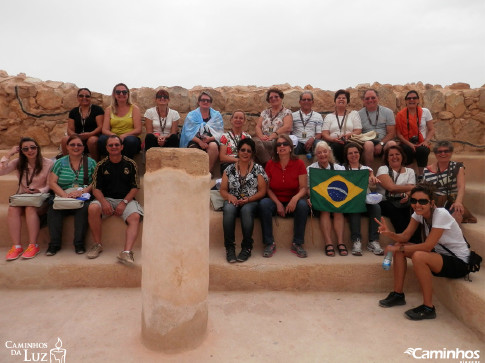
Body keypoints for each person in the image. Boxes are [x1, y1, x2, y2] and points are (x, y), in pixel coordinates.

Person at [376, 184, 470, 320]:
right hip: (441, 256)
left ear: (431, 203)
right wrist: (389, 233)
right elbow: (404, 237)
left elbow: (427, 246)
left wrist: (397, 248)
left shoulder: (441, 214)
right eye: (413, 201)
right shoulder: (418, 214)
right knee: (399, 247)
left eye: (423, 201)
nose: (417, 205)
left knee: (418, 256)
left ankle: (428, 308)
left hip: (459, 262)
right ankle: (398, 295)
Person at [87, 135, 144, 265]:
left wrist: (124, 203)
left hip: (126, 200)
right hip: (106, 199)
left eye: (116, 145)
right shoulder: (101, 165)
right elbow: (96, 189)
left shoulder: (131, 164)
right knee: (93, 208)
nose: (114, 147)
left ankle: (126, 253)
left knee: (135, 216)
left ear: (122, 147)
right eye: (111, 145)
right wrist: (103, 202)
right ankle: (97, 245)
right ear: (106, 148)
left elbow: (135, 187)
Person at [1, 138, 53, 260]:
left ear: (37, 148)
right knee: (12, 209)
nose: (30, 150)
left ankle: (33, 245)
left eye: (33, 147)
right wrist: (9, 154)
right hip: (24, 197)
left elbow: (50, 184)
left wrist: (39, 191)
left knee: (30, 208)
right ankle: (17, 246)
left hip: (41, 198)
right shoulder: (19, 162)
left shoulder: (48, 163)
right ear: (22, 151)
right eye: (25, 149)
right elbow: (1, 171)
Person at [259, 134, 309, 258]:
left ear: (291, 147)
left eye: (285, 144)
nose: (282, 146)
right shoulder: (270, 164)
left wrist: (295, 199)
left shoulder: (299, 164)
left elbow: (303, 188)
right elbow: (268, 188)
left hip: (293, 201)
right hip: (276, 201)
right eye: (279, 144)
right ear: (276, 149)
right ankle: (269, 243)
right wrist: (277, 203)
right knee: (263, 204)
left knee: (303, 205)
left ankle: (297, 243)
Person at [47, 134, 96, 255]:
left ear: (83, 147)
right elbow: (52, 183)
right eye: (72, 144)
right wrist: (64, 195)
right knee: (53, 209)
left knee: (84, 209)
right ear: (67, 147)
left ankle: (79, 244)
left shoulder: (90, 163)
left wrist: (82, 192)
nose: (76, 147)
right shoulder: (59, 162)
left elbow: (96, 182)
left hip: (82, 196)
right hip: (62, 195)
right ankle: (54, 244)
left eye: (79, 145)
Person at [219, 139, 267, 263]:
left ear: (252, 153)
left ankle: (247, 247)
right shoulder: (229, 169)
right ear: (238, 151)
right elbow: (223, 190)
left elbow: (262, 191)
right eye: (243, 150)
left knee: (246, 210)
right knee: (228, 209)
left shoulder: (258, 169)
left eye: (249, 151)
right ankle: (229, 248)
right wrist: (229, 197)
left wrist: (249, 199)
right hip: (233, 199)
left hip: (251, 201)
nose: (245, 153)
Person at [342, 142, 383, 256]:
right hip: (350, 201)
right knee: (355, 206)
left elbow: (371, 181)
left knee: (376, 207)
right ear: (346, 156)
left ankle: (373, 241)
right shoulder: (341, 168)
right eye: (350, 153)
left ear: (360, 154)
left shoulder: (367, 169)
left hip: (366, 199)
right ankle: (356, 240)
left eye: (356, 152)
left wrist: (372, 179)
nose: (353, 155)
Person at [307, 141, 347, 256]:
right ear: (316, 155)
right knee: (324, 210)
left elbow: (344, 186)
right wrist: (310, 197)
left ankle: (340, 242)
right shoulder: (311, 169)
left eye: (325, 152)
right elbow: (308, 188)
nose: (322, 155)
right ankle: (328, 243)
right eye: (319, 153)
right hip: (320, 199)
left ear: (329, 152)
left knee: (338, 211)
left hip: (336, 198)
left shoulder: (338, 168)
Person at [376, 145, 419, 242]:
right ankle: (402, 240)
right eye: (391, 155)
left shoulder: (410, 171)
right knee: (395, 211)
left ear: (402, 156)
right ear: (387, 158)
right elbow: (391, 188)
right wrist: (411, 188)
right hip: (385, 201)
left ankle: (416, 242)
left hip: (402, 200)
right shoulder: (383, 169)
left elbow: (409, 190)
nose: (394, 157)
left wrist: (407, 195)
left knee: (413, 211)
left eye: (397, 154)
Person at [180, 91, 224, 175]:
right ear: (199, 102)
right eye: (203, 100)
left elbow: (219, 132)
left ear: (211, 103)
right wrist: (200, 142)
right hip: (195, 139)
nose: (205, 102)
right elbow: (188, 133)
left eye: (208, 100)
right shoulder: (191, 115)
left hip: (210, 139)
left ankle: (207, 172)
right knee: (193, 148)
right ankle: (194, 173)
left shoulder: (216, 115)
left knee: (213, 146)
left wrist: (209, 139)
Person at [423, 141, 467, 223]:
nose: (443, 153)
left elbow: (461, 186)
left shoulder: (457, 167)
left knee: (456, 214)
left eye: (446, 151)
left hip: (451, 201)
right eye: (439, 151)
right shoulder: (427, 170)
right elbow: (426, 190)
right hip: (434, 201)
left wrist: (458, 202)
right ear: (435, 154)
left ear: (451, 152)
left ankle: (455, 235)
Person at [395, 90, 435, 177]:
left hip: (421, 141)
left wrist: (426, 141)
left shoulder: (425, 112)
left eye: (414, 98)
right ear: (405, 101)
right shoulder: (400, 115)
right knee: (407, 149)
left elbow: (431, 129)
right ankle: (410, 176)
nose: (411, 100)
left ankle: (421, 176)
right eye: (409, 98)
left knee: (423, 150)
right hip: (406, 142)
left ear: (418, 100)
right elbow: (399, 134)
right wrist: (409, 144)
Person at [98, 83, 142, 159]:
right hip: (113, 136)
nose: (121, 94)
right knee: (102, 140)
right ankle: (109, 162)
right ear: (114, 95)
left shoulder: (134, 109)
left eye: (124, 92)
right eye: (118, 92)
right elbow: (105, 129)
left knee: (130, 141)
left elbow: (138, 130)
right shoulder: (109, 109)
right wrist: (114, 137)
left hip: (128, 138)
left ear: (128, 94)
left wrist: (124, 135)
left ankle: (126, 164)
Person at [61, 88, 104, 161]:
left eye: (87, 96)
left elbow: (100, 127)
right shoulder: (74, 111)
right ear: (78, 98)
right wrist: (76, 136)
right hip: (78, 136)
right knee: (65, 139)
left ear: (90, 98)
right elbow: (70, 129)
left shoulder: (97, 109)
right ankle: (67, 163)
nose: (84, 98)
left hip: (93, 135)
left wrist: (90, 134)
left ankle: (95, 164)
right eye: (81, 96)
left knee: (92, 141)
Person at [358, 89, 397, 167]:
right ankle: (369, 173)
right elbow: (358, 132)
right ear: (363, 100)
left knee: (392, 144)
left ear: (378, 98)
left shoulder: (388, 112)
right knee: (369, 145)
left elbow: (392, 133)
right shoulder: (358, 114)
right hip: (367, 141)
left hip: (384, 141)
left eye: (373, 97)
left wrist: (381, 144)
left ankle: (385, 171)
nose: (370, 100)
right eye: (367, 98)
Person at [253, 88, 293, 165]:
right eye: (271, 97)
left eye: (276, 96)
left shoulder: (287, 112)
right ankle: (269, 164)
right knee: (254, 142)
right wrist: (261, 136)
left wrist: (274, 135)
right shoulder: (264, 112)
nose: (273, 99)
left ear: (281, 98)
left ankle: (267, 165)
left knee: (257, 146)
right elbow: (258, 127)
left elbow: (287, 127)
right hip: (264, 139)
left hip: (278, 139)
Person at [322, 89, 362, 164]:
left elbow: (358, 130)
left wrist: (348, 135)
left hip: (349, 140)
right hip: (333, 142)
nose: (341, 99)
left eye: (343, 98)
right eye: (338, 98)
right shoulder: (329, 116)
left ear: (347, 101)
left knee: (349, 147)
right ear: (335, 101)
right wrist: (333, 139)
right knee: (336, 146)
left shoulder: (353, 114)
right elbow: (324, 133)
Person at [291, 91, 323, 155]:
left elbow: (319, 134)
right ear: (300, 102)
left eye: (309, 100)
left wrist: (312, 139)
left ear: (312, 102)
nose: (306, 101)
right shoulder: (292, 116)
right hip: (298, 142)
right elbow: (290, 132)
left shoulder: (318, 116)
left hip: (312, 141)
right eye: (304, 100)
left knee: (319, 144)